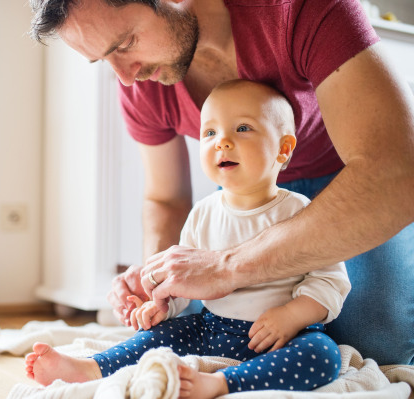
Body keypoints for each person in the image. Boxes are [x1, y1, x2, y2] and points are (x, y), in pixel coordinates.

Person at [28, 0, 414, 365]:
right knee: (187, 321)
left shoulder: (300, 11)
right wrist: (156, 279)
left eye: (126, 44)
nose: (126, 77)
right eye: (104, 60)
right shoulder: (141, 82)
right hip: (245, 194)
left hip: (350, 187)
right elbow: (166, 199)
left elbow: (396, 174)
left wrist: (227, 267)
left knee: (377, 342)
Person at [25, 80, 351, 397]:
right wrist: (161, 305)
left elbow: (330, 280)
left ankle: (222, 384)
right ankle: (91, 369)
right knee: (158, 335)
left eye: (242, 129)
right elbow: (183, 278)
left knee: (323, 354)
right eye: (210, 132)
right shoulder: (203, 212)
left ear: (283, 149)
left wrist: (292, 316)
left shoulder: (300, 211)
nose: (221, 141)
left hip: (283, 336)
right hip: (212, 328)